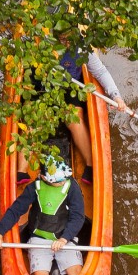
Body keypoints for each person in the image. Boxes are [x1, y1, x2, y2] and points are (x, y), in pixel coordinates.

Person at [15, 43, 126, 186]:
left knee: (74, 119)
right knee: (35, 121)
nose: (66, 42)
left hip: (69, 86)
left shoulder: (81, 45)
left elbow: (100, 71)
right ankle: (20, 172)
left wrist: (116, 96)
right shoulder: (38, 39)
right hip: (40, 86)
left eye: (69, 38)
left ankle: (91, 165)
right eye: (62, 38)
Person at [0, 156, 86, 275]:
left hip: (65, 238)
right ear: (43, 177)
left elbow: (78, 217)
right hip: (39, 238)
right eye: (58, 180)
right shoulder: (34, 188)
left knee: (76, 273)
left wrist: (64, 239)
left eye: (64, 177)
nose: (62, 182)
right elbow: (15, 211)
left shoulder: (72, 188)